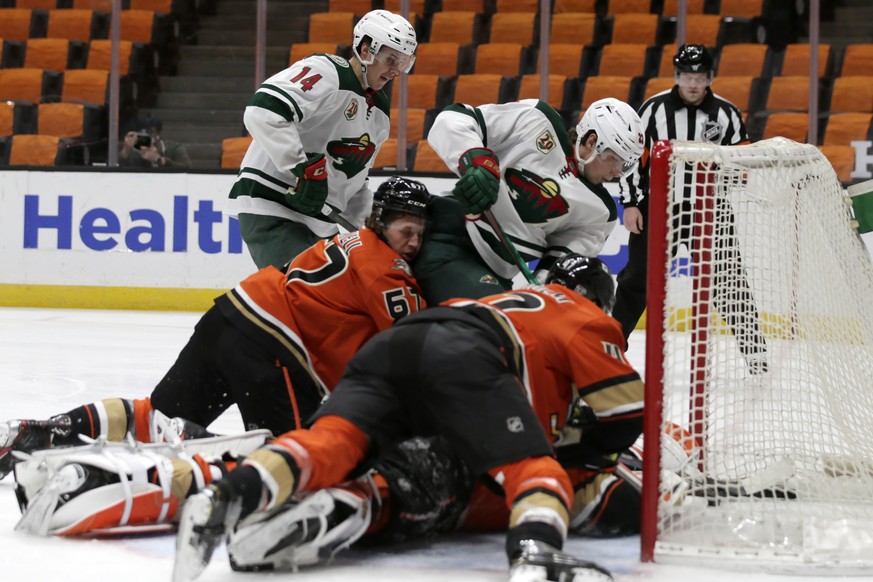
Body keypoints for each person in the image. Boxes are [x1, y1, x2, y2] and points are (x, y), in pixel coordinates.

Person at [171, 253, 644, 582]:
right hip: (466, 355)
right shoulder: (584, 315)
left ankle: (225, 496)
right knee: (536, 470)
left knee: (333, 443)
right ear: (594, 296)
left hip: (396, 346)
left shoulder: (513, 302)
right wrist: (587, 451)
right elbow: (627, 413)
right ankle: (536, 554)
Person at [0, 176, 431, 481]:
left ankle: (38, 433)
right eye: (405, 230)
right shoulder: (386, 270)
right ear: (380, 221)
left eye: (419, 234)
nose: (412, 242)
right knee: (296, 457)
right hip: (270, 345)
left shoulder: (352, 240)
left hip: (231, 315)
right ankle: (177, 476)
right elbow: (416, 348)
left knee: (160, 415)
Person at [612, 44, 768, 371]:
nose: (692, 83)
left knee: (729, 282)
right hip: (658, 209)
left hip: (710, 211)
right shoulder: (652, 110)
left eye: (699, 76)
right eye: (686, 76)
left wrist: (722, 176)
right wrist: (630, 203)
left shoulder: (726, 114)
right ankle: (607, 351)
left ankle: (757, 360)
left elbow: (742, 163)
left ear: (710, 77)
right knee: (634, 281)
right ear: (676, 76)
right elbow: (631, 161)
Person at [228, 9, 417, 269]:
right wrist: (302, 169)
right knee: (306, 295)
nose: (396, 70)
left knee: (344, 299)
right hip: (276, 205)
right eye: (391, 59)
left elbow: (354, 183)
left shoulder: (380, 111)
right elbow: (263, 111)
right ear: (365, 50)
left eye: (404, 62)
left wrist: (371, 231)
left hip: (321, 222)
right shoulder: (328, 71)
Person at [415, 97, 644, 305]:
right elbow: (450, 119)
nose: (617, 172)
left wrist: (537, 298)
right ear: (591, 141)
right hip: (446, 229)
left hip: (492, 272)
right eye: (614, 159)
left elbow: (554, 278)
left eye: (626, 165)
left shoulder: (600, 213)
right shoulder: (537, 119)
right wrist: (475, 160)